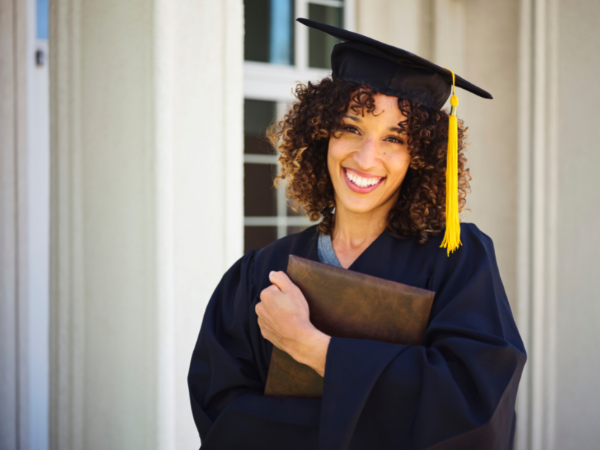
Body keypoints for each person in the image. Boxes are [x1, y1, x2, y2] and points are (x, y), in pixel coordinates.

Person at [188, 18, 526, 450]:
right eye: (351, 128)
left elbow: (474, 404)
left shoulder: (456, 261)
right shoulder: (260, 273)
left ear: (420, 156)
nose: (367, 158)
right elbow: (222, 411)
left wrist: (314, 348)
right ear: (321, 133)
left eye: (395, 138)